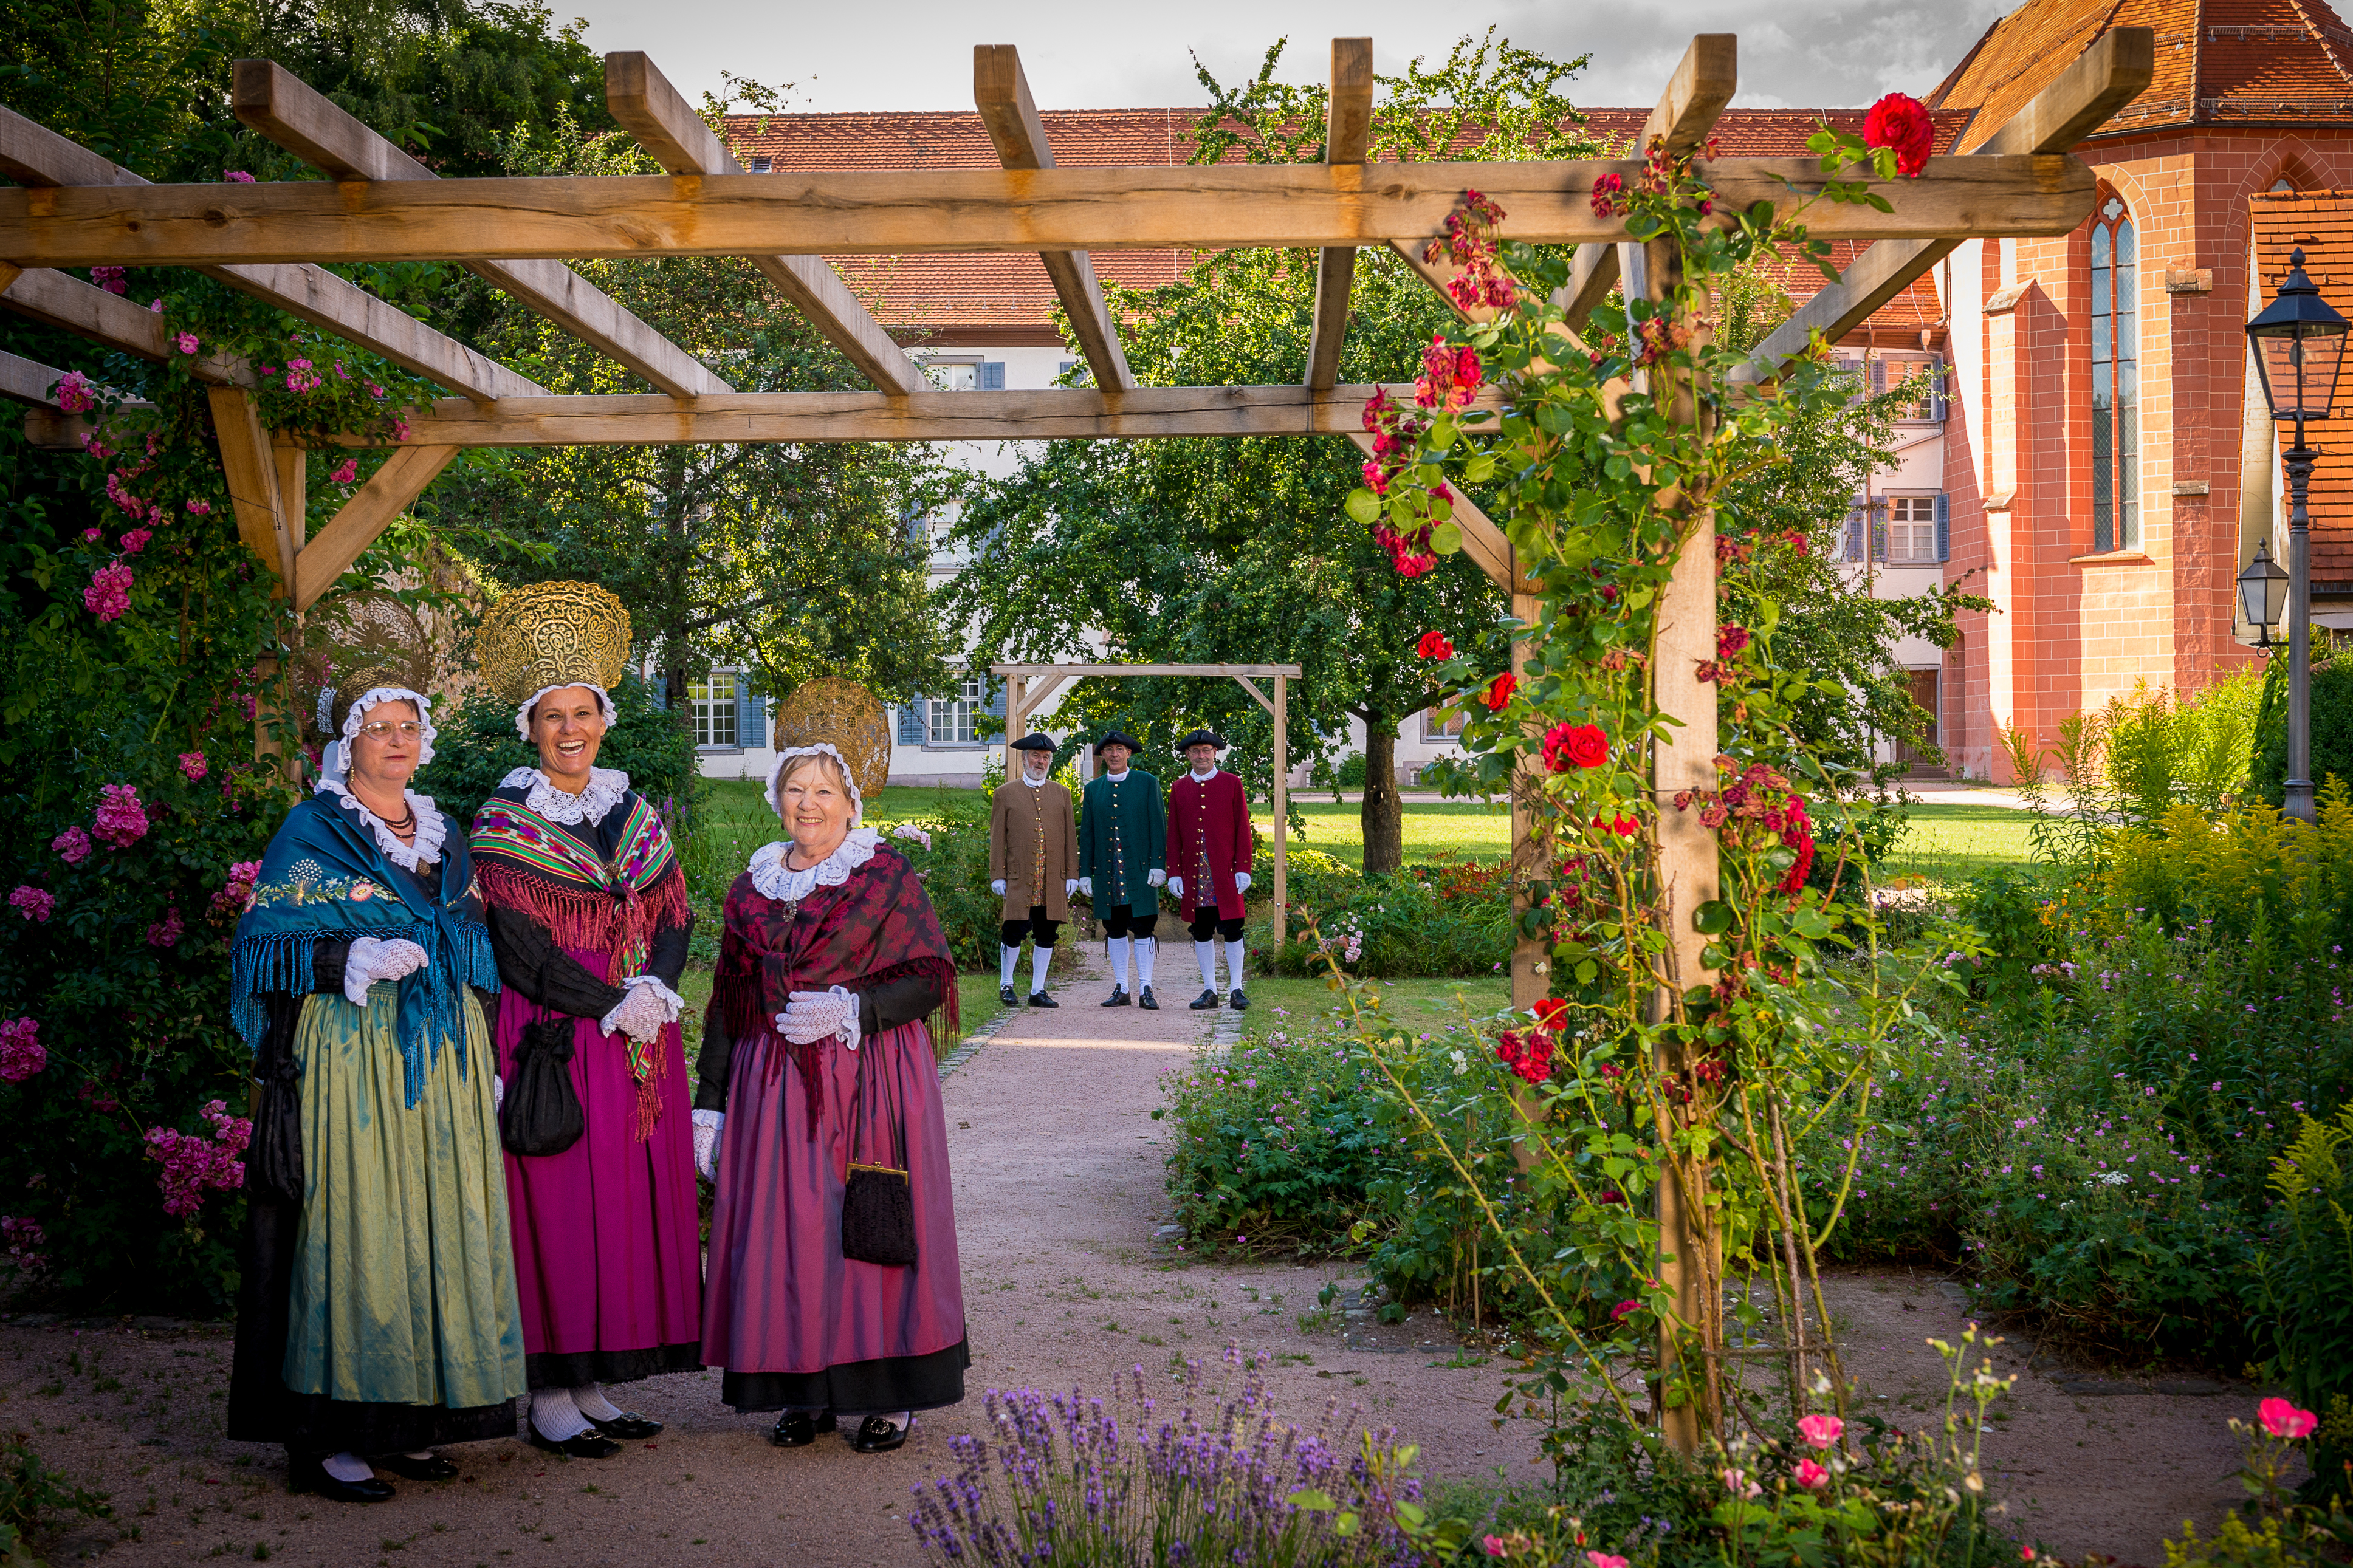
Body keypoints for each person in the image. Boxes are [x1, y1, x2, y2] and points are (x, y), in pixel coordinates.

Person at [225, 682, 523, 1503]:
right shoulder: (313, 828)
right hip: (351, 1050)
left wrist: (488, 1053)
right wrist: (341, 961)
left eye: (408, 729)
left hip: (444, 1054)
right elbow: (260, 945)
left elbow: (472, 944)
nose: (395, 741)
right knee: (358, 1225)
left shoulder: (444, 833)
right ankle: (335, 1434)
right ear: (349, 741)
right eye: (379, 728)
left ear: (423, 743)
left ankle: (409, 1421)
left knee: (435, 1223)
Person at [467, 581, 699, 1459]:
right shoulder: (504, 821)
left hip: (640, 1039)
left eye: (584, 713)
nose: (570, 730)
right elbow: (522, 949)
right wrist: (617, 1003)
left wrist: (659, 994)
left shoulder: (633, 811)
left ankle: (595, 1384)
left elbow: (677, 910)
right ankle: (551, 1393)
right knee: (560, 1206)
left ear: (605, 719)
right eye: (552, 717)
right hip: (561, 1036)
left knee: (621, 1206)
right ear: (530, 728)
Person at [695, 744, 967, 1454]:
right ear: (776, 798)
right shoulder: (752, 888)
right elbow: (728, 1001)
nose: (807, 803)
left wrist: (852, 1006)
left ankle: (889, 1393)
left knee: (866, 1227)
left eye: (822, 790)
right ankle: (802, 1389)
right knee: (786, 1232)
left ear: (851, 801)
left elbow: (930, 976)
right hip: (771, 1086)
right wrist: (710, 1100)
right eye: (794, 788)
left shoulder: (883, 877)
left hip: (868, 1078)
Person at [1076, 728, 1167, 1008]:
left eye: (1119, 750)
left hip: (1140, 872)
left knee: (1142, 928)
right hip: (1107, 873)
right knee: (1113, 929)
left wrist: (1158, 865)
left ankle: (1146, 989)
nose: (1114, 755)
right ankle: (1122, 988)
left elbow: (1158, 827)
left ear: (1129, 753)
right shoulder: (1092, 790)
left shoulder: (1147, 782)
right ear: (1102, 755)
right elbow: (1087, 834)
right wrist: (1084, 873)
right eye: (1109, 750)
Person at [1165, 728, 1253, 1012]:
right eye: (1195, 752)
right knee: (1201, 931)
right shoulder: (1179, 788)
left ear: (1215, 753)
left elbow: (1243, 829)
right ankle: (1210, 990)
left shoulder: (1232, 783)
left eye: (1206, 751)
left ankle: (1237, 989)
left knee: (1232, 929)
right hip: (1195, 875)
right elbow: (1174, 835)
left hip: (1225, 872)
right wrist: (1174, 872)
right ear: (1188, 755)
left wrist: (1243, 868)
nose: (1200, 756)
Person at [988, 732, 1077, 1008]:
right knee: (1014, 931)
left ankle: (1038, 990)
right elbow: (996, 838)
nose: (1041, 762)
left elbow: (1070, 838)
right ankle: (1007, 984)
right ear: (1025, 759)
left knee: (1047, 932)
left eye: (1046, 758)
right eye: (1036, 757)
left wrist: (1072, 874)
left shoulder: (1062, 794)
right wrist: (997, 874)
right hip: (1018, 877)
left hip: (1052, 878)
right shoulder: (1006, 793)